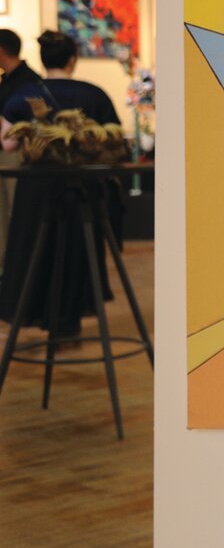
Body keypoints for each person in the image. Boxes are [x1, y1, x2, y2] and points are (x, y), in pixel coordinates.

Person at [0, 30, 123, 337]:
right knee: (78, 250)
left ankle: (40, 312)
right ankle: (71, 317)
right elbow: (115, 139)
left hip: (38, 190)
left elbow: (8, 144)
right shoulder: (94, 94)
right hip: (82, 190)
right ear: (73, 59)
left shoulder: (25, 93)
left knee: (37, 250)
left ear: (43, 59)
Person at [0, 28, 43, 260]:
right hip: (4, 151)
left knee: (17, 210)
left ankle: (20, 263)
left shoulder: (29, 80)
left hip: (15, 153)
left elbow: (35, 120)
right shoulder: (6, 80)